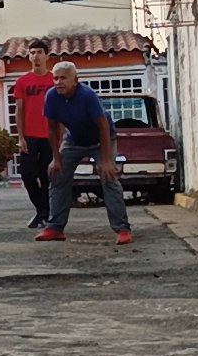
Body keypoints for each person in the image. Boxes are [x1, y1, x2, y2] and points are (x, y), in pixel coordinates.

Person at [39, 60, 134, 245]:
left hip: (102, 139)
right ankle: (55, 227)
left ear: (75, 80)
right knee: (57, 176)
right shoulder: (52, 96)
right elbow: (52, 129)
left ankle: (123, 229)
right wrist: (56, 159)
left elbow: (104, 127)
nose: (58, 82)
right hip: (74, 140)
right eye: (55, 78)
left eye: (63, 78)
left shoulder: (87, 96)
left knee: (108, 177)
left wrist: (106, 161)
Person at [10, 39, 59, 230]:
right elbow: (19, 110)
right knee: (27, 176)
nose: (35, 56)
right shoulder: (23, 81)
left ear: (47, 55)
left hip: (50, 136)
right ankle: (41, 211)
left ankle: (46, 214)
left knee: (47, 177)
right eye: (32, 52)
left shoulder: (54, 80)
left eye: (39, 52)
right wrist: (20, 137)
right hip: (29, 136)